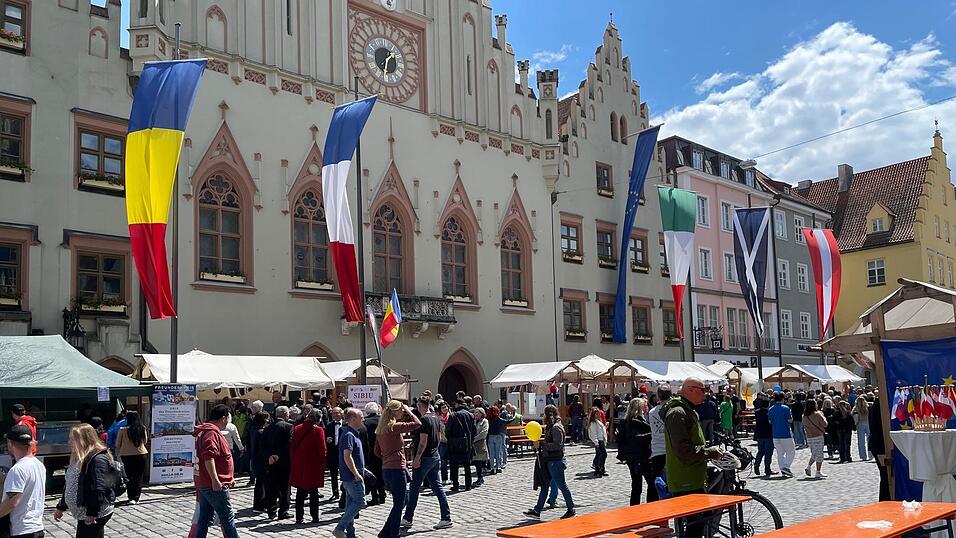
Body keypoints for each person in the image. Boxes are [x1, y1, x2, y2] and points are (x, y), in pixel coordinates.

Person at [663, 378, 722, 538]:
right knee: (694, 526)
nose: (705, 394)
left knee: (700, 522)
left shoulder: (688, 410)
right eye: (702, 390)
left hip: (693, 476)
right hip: (685, 480)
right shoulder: (677, 413)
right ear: (690, 389)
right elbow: (684, 451)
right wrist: (709, 452)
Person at [53, 424, 115, 538]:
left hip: (94, 512)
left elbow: (99, 488)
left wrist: (92, 513)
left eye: (73, 439)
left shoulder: (97, 458)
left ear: (84, 440)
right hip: (83, 513)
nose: (69, 442)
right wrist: (61, 506)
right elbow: (70, 483)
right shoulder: (78, 457)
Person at [401, 396, 453, 531]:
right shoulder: (436, 418)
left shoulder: (424, 419)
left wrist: (417, 457)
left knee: (414, 487)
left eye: (418, 406)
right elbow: (438, 437)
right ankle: (446, 517)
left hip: (425, 458)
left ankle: (408, 517)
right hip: (434, 455)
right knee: (437, 487)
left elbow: (423, 441)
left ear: (420, 406)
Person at [374, 400, 421, 538]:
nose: (402, 412)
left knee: (403, 500)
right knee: (399, 503)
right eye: (401, 410)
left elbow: (376, 451)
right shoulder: (394, 427)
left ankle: (385, 531)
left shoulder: (380, 429)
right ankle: (393, 533)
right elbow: (417, 424)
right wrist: (409, 411)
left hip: (387, 468)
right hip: (396, 469)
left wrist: (387, 457)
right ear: (395, 411)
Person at [191, 404, 240, 538]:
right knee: (227, 518)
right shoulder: (211, 433)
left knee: (204, 517)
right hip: (212, 484)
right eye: (228, 418)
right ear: (223, 418)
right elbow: (209, 457)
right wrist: (215, 480)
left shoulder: (206, 431)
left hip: (205, 482)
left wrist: (229, 478)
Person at [524, 405, 575, 520]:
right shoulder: (551, 426)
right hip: (549, 460)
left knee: (562, 485)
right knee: (545, 486)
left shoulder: (557, 427)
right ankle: (537, 510)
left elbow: (558, 445)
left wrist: (542, 444)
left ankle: (571, 509)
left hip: (556, 461)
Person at [1, 425, 45, 538]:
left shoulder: (17, 469)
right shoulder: (39, 465)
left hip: (21, 529)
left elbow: (12, 503)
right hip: (37, 527)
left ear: (10, 443)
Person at [333, 407, 366, 538]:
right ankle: (339, 528)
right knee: (360, 502)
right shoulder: (349, 435)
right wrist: (356, 474)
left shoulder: (352, 433)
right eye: (361, 417)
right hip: (352, 477)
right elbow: (347, 456)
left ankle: (350, 534)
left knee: (350, 504)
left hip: (351, 476)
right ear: (352, 419)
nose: (363, 419)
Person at [289, 409, 326, 525]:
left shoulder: (297, 428)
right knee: (313, 492)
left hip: (299, 462)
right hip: (313, 464)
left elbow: (292, 447)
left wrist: (294, 461)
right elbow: (322, 449)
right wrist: (323, 462)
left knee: (300, 491)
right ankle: (315, 517)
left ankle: (299, 517)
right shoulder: (318, 430)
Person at [617, 398, 653, 505]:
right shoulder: (635, 421)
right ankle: (649, 506)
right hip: (639, 456)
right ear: (640, 407)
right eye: (645, 405)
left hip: (631, 456)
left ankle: (635, 506)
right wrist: (652, 435)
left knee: (636, 483)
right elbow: (636, 437)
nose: (647, 407)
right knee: (650, 482)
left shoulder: (628, 420)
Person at [263, 405, 294, 520]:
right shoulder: (288, 426)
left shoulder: (268, 428)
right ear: (285, 415)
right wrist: (278, 455)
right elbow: (289, 443)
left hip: (271, 462)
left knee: (271, 486)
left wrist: (270, 456)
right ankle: (283, 511)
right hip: (284, 461)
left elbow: (263, 445)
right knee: (285, 487)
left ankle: (271, 511)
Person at [115, 410, 148, 505]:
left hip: (127, 455)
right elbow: (145, 441)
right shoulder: (142, 428)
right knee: (138, 476)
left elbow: (117, 444)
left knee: (129, 476)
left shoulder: (123, 430)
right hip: (141, 454)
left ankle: (130, 496)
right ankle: (136, 497)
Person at [446, 400, 476, 492]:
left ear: (458, 405)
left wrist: (450, 439)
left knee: (454, 465)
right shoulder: (471, 415)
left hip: (455, 443)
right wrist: (470, 440)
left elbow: (448, 430)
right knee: (467, 465)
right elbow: (474, 430)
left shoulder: (453, 415)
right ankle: (468, 485)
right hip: (467, 443)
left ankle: (455, 485)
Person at [362, 402, 386, 506]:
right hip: (383, 450)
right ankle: (382, 494)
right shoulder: (383, 420)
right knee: (380, 473)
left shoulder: (365, 422)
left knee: (372, 475)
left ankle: (375, 497)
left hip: (370, 452)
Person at [767, 392, 796, 477]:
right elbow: (790, 420)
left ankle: (782, 468)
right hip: (785, 433)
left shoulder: (771, 409)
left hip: (775, 434)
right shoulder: (786, 408)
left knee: (780, 453)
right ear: (783, 399)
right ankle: (786, 466)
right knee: (791, 451)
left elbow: (770, 421)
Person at [648, 384, 671, 485]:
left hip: (656, 449)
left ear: (658, 396)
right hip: (670, 450)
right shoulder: (672, 410)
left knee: (658, 482)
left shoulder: (652, 412)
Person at [868, 396, 890, 500]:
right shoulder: (879, 405)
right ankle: (885, 501)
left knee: (886, 476)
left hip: (879, 444)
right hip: (880, 445)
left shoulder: (879, 404)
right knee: (886, 476)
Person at [249, 412, 271, 512]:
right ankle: (260, 505)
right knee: (262, 484)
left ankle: (258, 505)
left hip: (255, 459)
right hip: (261, 461)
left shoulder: (253, 429)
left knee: (259, 483)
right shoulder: (261, 432)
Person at [802, 399, 828, 478]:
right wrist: (823, 416)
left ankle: (813, 469)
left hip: (809, 437)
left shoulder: (804, 416)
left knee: (814, 452)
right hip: (818, 435)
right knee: (818, 454)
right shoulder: (817, 414)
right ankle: (814, 469)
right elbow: (825, 424)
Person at [325, 407, 345, 501]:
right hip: (333, 452)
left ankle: (345, 492)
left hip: (343, 452)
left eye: (337, 413)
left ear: (341, 414)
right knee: (333, 474)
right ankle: (335, 492)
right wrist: (327, 440)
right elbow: (325, 437)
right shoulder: (329, 425)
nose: (335, 415)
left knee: (344, 473)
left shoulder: (346, 424)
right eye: (333, 413)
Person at [752, 398, 776, 476]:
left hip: (759, 434)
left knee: (760, 451)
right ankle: (767, 469)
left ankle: (756, 464)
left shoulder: (757, 412)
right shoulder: (769, 412)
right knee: (768, 453)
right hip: (768, 433)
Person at [587, 407, 608, 477]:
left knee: (599, 455)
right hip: (599, 441)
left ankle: (599, 470)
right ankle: (599, 468)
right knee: (603, 454)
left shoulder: (598, 422)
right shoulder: (593, 423)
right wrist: (596, 442)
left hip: (601, 440)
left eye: (598, 414)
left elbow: (600, 431)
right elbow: (593, 434)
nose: (598, 415)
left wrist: (605, 427)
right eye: (596, 414)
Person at [471, 407, 489, 486]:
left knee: (479, 461)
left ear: (482, 413)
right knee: (476, 462)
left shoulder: (484, 421)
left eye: (477, 412)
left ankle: (480, 478)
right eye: (475, 412)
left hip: (480, 443)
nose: (475, 414)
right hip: (473, 445)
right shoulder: (474, 421)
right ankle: (479, 478)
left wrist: (474, 439)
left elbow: (484, 432)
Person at [486, 405, 506, 474]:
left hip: (490, 436)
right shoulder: (498, 418)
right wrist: (513, 417)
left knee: (491, 454)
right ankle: (498, 467)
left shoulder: (488, 419)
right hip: (498, 436)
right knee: (498, 453)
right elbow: (506, 421)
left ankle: (492, 468)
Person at [436, 401, 451, 484]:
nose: (445, 409)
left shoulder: (451, 416)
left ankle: (453, 478)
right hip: (442, 441)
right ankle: (444, 478)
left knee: (452, 460)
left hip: (451, 440)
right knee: (443, 460)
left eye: (445, 407)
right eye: (443, 407)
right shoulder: (438, 418)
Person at [853, 395, 871, 461]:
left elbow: (855, 418)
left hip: (860, 424)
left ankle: (863, 456)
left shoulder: (856, 409)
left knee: (861, 441)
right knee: (869, 439)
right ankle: (871, 455)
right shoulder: (868, 407)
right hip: (868, 423)